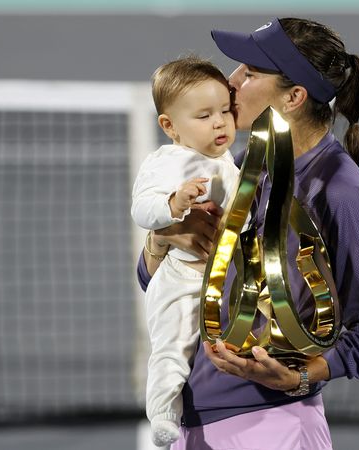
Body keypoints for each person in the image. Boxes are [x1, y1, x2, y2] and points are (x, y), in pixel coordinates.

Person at [137, 18, 359, 449]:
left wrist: (303, 376)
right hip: (195, 422)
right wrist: (163, 242)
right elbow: (157, 281)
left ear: (294, 97)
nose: (230, 83)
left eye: (249, 73)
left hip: (271, 425)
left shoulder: (339, 190)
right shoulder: (242, 164)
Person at [131, 55, 239, 447]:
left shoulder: (227, 161)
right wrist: (174, 206)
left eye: (225, 111)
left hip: (223, 280)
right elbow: (141, 207)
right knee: (173, 345)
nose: (219, 122)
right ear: (169, 126)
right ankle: (163, 413)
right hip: (180, 278)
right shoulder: (166, 162)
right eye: (204, 115)